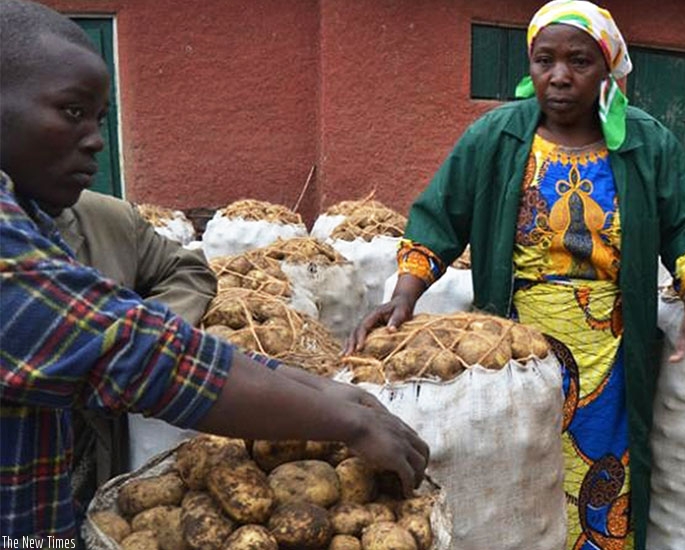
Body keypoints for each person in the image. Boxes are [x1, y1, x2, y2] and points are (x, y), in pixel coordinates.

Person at [0, 0, 428, 541]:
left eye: (101, 118)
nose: (96, 139)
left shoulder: (40, 218)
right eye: (72, 112)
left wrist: (321, 392)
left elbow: (147, 324)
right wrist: (345, 419)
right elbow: (134, 351)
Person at [346, 1, 685, 548]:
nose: (558, 76)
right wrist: (405, 293)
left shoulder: (645, 143)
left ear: (609, 68)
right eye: (543, 60)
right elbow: (440, 217)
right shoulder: (497, 137)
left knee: (604, 468)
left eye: (578, 61)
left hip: (611, 351)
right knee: (522, 467)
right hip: (517, 346)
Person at [51, 190, 219, 512]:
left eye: (95, 133)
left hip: (91, 458)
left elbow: (188, 271)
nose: (94, 143)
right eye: (74, 133)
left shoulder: (108, 219)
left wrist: (141, 337)